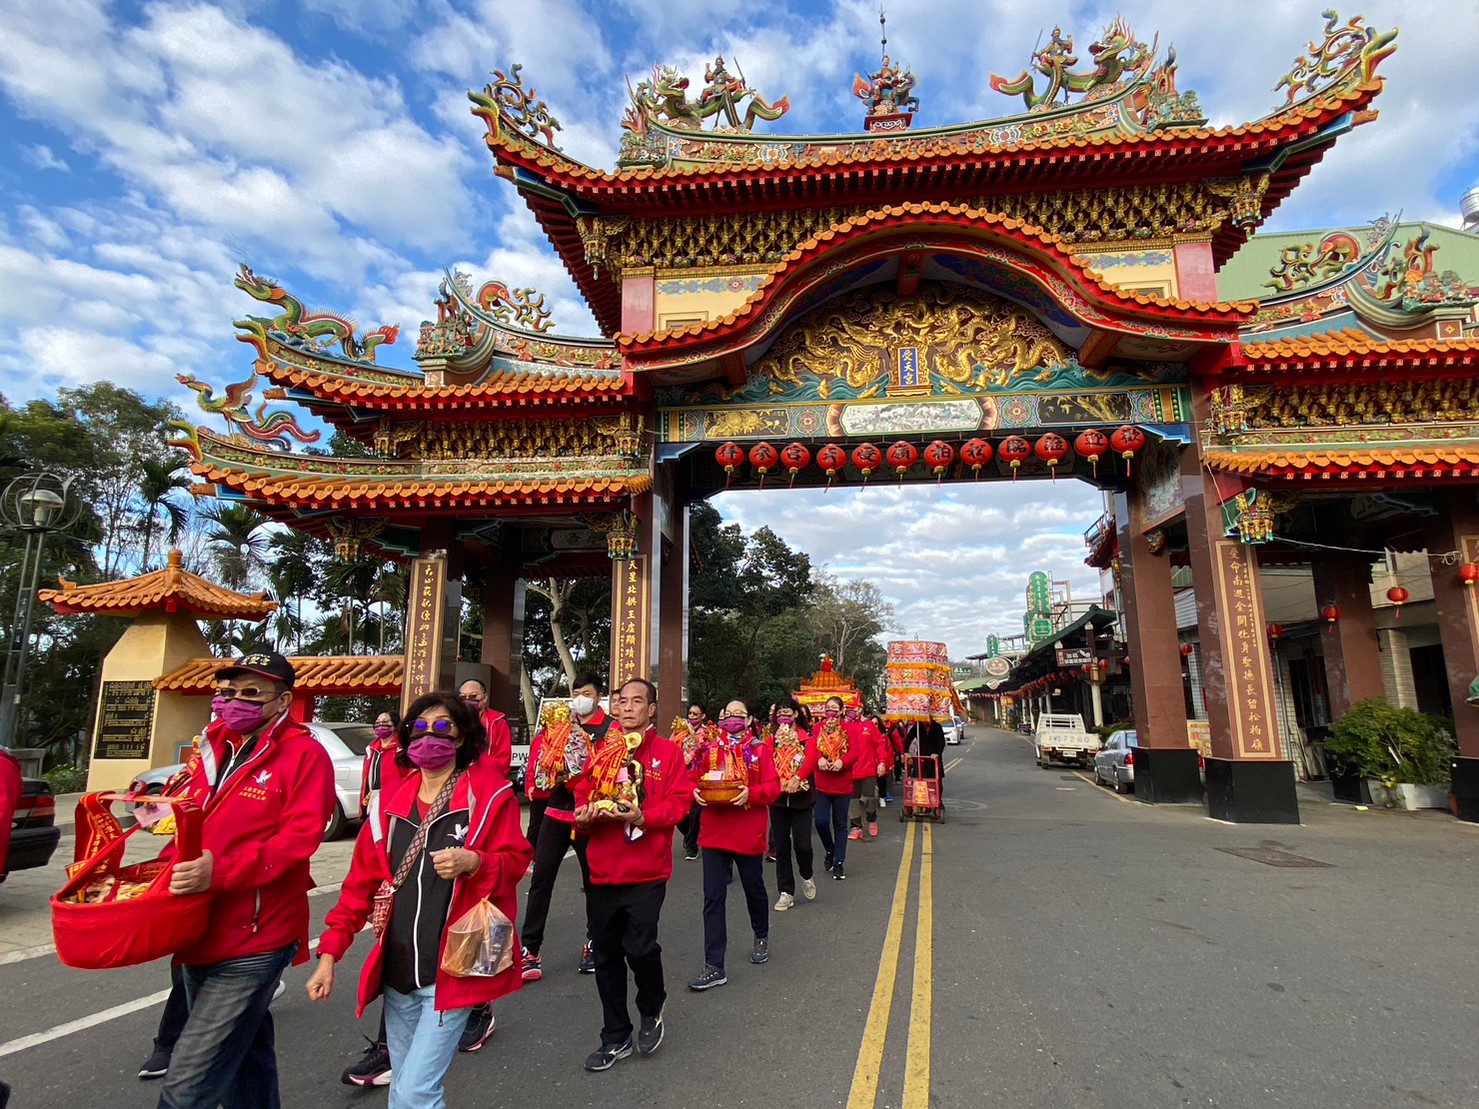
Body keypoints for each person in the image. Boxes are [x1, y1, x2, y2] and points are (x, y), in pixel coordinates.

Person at [309, 691, 531, 1109]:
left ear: (462, 737)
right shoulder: (387, 806)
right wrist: (329, 954)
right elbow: (359, 885)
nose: (430, 736)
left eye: (443, 727)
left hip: (453, 968)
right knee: (402, 1086)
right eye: (419, 728)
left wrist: (475, 861)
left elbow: (516, 861)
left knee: (415, 1091)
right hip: (397, 973)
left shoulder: (486, 797)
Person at [157, 652, 335, 1109]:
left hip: (257, 934)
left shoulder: (305, 754)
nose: (234, 701)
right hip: (199, 925)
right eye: (227, 691)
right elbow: (189, 823)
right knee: (246, 1055)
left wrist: (219, 871)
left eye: (251, 692)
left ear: (283, 701)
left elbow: (298, 840)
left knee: (188, 1081)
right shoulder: (212, 746)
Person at [574, 679, 691, 1072]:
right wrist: (583, 818)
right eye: (621, 701)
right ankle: (614, 1036)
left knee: (640, 949)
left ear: (651, 709)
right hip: (602, 870)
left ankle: (651, 1006)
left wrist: (644, 817)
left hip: (647, 870)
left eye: (636, 701)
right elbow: (582, 796)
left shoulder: (667, 753)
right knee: (606, 954)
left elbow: (680, 804)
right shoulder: (599, 750)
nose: (627, 708)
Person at [520, 671, 612, 982]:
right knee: (540, 881)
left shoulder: (610, 729)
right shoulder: (558, 726)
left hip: (589, 817)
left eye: (587, 693)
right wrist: (536, 782)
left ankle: (595, 942)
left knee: (594, 882)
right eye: (576, 694)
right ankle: (530, 950)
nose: (580, 699)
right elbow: (539, 758)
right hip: (555, 814)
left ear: (598, 696)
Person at [687, 700, 779, 991]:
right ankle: (714, 965)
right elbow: (690, 779)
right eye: (728, 715)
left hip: (747, 833)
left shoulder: (760, 750)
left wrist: (752, 793)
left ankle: (761, 935)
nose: (733, 719)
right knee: (713, 898)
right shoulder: (709, 749)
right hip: (714, 833)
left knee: (754, 890)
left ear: (750, 719)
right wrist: (693, 791)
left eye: (740, 714)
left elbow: (773, 787)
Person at [339, 706, 403, 1088]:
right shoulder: (374, 754)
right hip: (401, 889)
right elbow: (357, 885)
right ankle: (388, 1049)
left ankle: (475, 1005)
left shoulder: (473, 792)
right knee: (398, 959)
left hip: (450, 896)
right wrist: (332, 947)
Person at [766, 698, 818, 911]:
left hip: (801, 799)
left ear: (796, 714)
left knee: (802, 845)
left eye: (787, 712)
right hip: (778, 799)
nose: (783, 716)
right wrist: (776, 781)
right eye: (779, 713)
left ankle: (806, 873)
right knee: (781, 846)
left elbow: (811, 761)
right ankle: (786, 892)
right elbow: (766, 763)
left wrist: (797, 777)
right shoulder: (771, 740)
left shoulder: (807, 739)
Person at [811, 696, 857, 881]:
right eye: (827, 707)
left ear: (841, 710)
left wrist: (842, 762)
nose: (830, 711)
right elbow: (812, 749)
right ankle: (830, 849)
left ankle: (839, 861)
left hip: (842, 784)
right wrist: (819, 759)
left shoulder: (848, 729)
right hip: (822, 783)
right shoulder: (818, 728)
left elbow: (855, 752)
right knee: (821, 821)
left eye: (833, 707)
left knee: (840, 825)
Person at [457, 679, 513, 782]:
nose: (468, 700)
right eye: (463, 697)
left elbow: (503, 758)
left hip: (487, 779)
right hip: (458, 779)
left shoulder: (498, 723)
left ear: (485, 698)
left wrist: (491, 780)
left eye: (473, 696)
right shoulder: (454, 720)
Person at [846, 705, 886, 840]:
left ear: (860, 709)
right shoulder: (842, 725)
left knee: (870, 797)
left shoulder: (868, 725)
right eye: (848, 708)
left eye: (854, 708)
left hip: (868, 769)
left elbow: (879, 744)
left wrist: (882, 762)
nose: (851, 711)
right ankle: (856, 827)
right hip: (850, 770)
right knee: (853, 800)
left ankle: (871, 818)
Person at [677, 703, 706, 861]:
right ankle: (689, 836)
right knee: (679, 814)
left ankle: (692, 846)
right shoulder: (680, 730)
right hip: (681, 776)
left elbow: (702, 750)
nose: (692, 716)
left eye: (696, 714)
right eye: (690, 713)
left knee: (695, 814)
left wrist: (688, 757)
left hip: (697, 776)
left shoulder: (706, 733)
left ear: (703, 716)